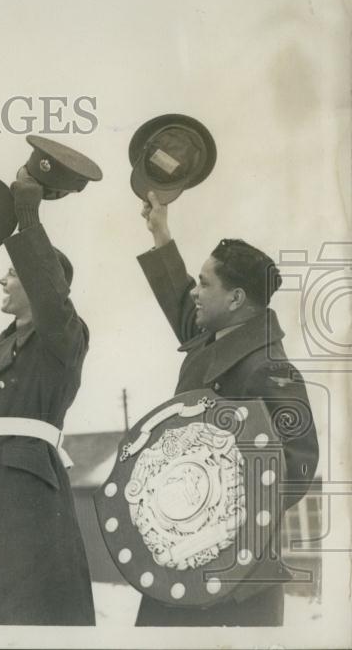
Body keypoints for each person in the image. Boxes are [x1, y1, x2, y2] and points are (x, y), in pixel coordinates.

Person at [136, 190, 319, 626]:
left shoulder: (271, 368)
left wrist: (216, 506)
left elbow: (299, 466)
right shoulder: (216, 341)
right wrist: (161, 233)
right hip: (182, 562)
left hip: (236, 580)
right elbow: (185, 306)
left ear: (236, 300)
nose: (194, 294)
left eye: (204, 283)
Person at [0, 167, 95, 626]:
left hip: (28, 487)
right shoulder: (6, 343)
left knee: (30, 606)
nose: (2, 282)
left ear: (37, 281)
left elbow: (52, 296)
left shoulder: (64, 334)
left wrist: (28, 215)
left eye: (11, 272)